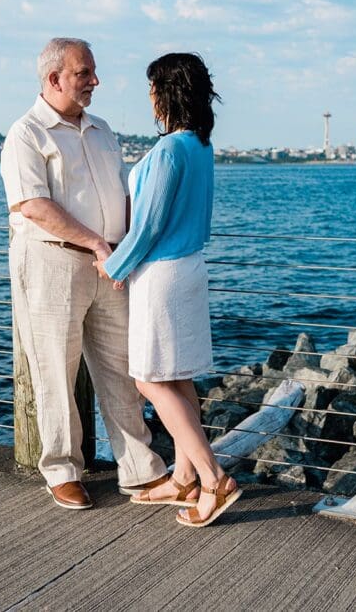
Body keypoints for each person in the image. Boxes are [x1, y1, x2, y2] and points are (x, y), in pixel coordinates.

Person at [0, 37, 169, 510]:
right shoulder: (26, 134)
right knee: (55, 366)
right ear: (54, 78)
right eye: (84, 73)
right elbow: (33, 205)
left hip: (110, 263)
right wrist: (96, 242)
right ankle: (61, 470)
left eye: (92, 72)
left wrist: (134, 244)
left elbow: (121, 193)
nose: (95, 81)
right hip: (53, 261)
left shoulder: (102, 129)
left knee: (122, 366)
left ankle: (140, 471)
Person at [94, 52, 240, 527]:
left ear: (166, 93)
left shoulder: (170, 150)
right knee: (177, 378)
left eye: (153, 88)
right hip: (191, 268)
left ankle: (213, 478)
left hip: (162, 275)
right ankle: (183, 478)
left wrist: (113, 264)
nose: (150, 97)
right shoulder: (201, 146)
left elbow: (149, 224)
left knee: (149, 379)